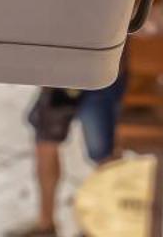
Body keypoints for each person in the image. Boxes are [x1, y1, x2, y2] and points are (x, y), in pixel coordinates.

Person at [17, 66, 126, 237]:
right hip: (63, 72)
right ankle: (45, 225)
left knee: (104, 155)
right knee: (45, 142)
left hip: (100, 70)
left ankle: (101, 226)